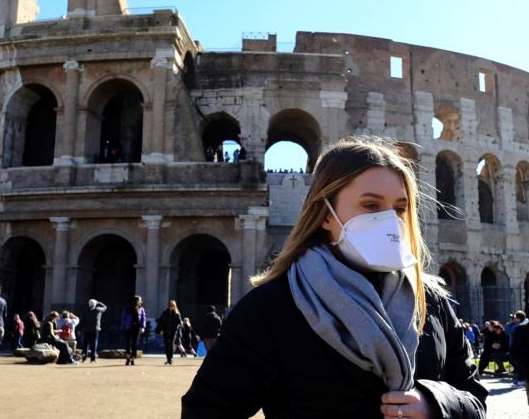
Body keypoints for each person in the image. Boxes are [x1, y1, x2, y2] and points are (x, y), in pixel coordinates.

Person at [182, 137, 488, 418]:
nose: (389, 220)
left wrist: (434, 402)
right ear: (326, 214)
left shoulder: (430, 300)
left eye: (400, 208)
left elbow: (475, 399)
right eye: (370, 205)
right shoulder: (274, 307)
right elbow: (206, 410)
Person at [121, 296, 146, 366]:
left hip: (137, 328)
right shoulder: (128, 308)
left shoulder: (141, 309)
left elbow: (143, 318)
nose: (141, 302)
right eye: (139, 300)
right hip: (129, 327)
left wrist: (143, 327)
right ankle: (128, 357)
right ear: (136, 301)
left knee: (134, 343)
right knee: (128, 343)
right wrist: (125, 325)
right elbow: (124, 317)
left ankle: (132, 358)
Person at [157, 299, 183, 365]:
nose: (171, 307)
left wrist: (177, 328)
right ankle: (168, 359)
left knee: (171, 345)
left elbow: (180, 323)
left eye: (172, 306)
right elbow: (160, 321)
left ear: (175, 306)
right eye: (170, 306)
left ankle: (170, 358)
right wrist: (161, 330)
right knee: (166, 345)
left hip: (173, 332)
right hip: (165, 331)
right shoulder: (164, 313)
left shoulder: (177, 314)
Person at [504, 311, 526, 386]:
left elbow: (507, 330)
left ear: (519, 318)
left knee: (518, 364)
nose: (514, 318)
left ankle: (521, 379)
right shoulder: (516, 325)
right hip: (514, 347)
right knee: (517, 364)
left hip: (517, 348)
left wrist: (510, 323)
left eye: (515, 317)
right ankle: (519, 378)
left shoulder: (518, 326)